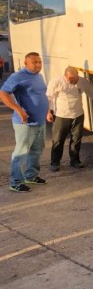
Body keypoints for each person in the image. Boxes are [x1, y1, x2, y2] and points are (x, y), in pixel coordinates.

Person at [46, 67, 93, 171]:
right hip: (61, 115)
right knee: (58, 140)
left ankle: (75, 161)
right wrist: (48, 112)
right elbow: (49, 98)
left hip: (78, 115)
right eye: (70, 79)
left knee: (76, 140)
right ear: (65, 76)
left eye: (75, 79)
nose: (73, 81)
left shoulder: (83, 82)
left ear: (78, 75)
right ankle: (55, 162)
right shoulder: (56, 82)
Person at [0, 52, 48, 192]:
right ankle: (15, 182)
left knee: (37, 150)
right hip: (25, 123)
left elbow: (41, 95)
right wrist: (18, 110)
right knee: (21, 153)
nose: (38, 64)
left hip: (40, 121)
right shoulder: (18, 76)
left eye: (39, 62)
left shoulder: (39, 76)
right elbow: (3, 93)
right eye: (34, 62)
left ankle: (31, 176)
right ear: (26, 63)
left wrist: (48, 110)